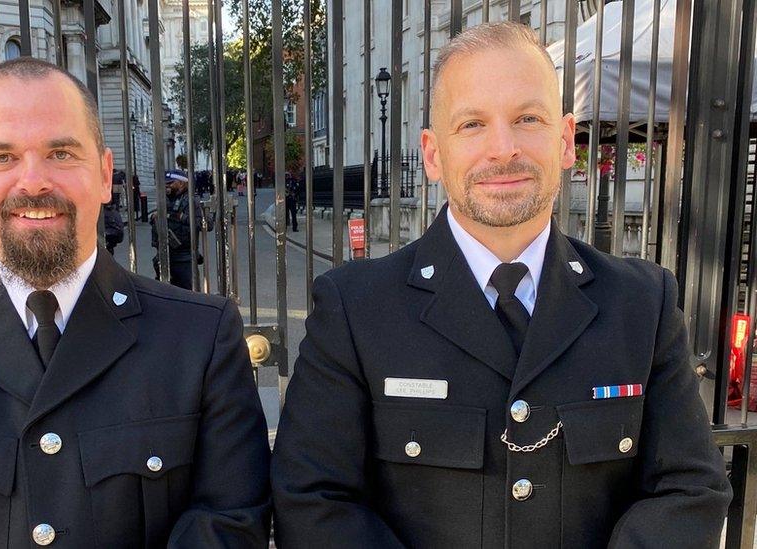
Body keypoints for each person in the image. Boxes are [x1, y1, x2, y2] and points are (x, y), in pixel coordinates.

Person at [271, 22, 731, 548]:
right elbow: (312, 501)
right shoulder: (356, 309)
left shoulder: (642, 304)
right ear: (433, 154)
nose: (503, 148)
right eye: (471, 124)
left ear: (564, 141)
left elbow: (689, 488)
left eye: (527, 119)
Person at [0, 57, 270, 548]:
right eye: (2, 157)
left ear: (104, 175)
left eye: (61, 153)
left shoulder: (200, 338)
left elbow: (229, 521)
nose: (34, 181)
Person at [151, 169, 206, 290]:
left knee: (187, 293)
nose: (167, 186)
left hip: (184, 257)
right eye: (165, 183)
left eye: (170, 183)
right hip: (166, 255)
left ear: (181, 183)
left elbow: (203, 224)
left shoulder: (191, 200)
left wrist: (179, 216)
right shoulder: (166, 198)